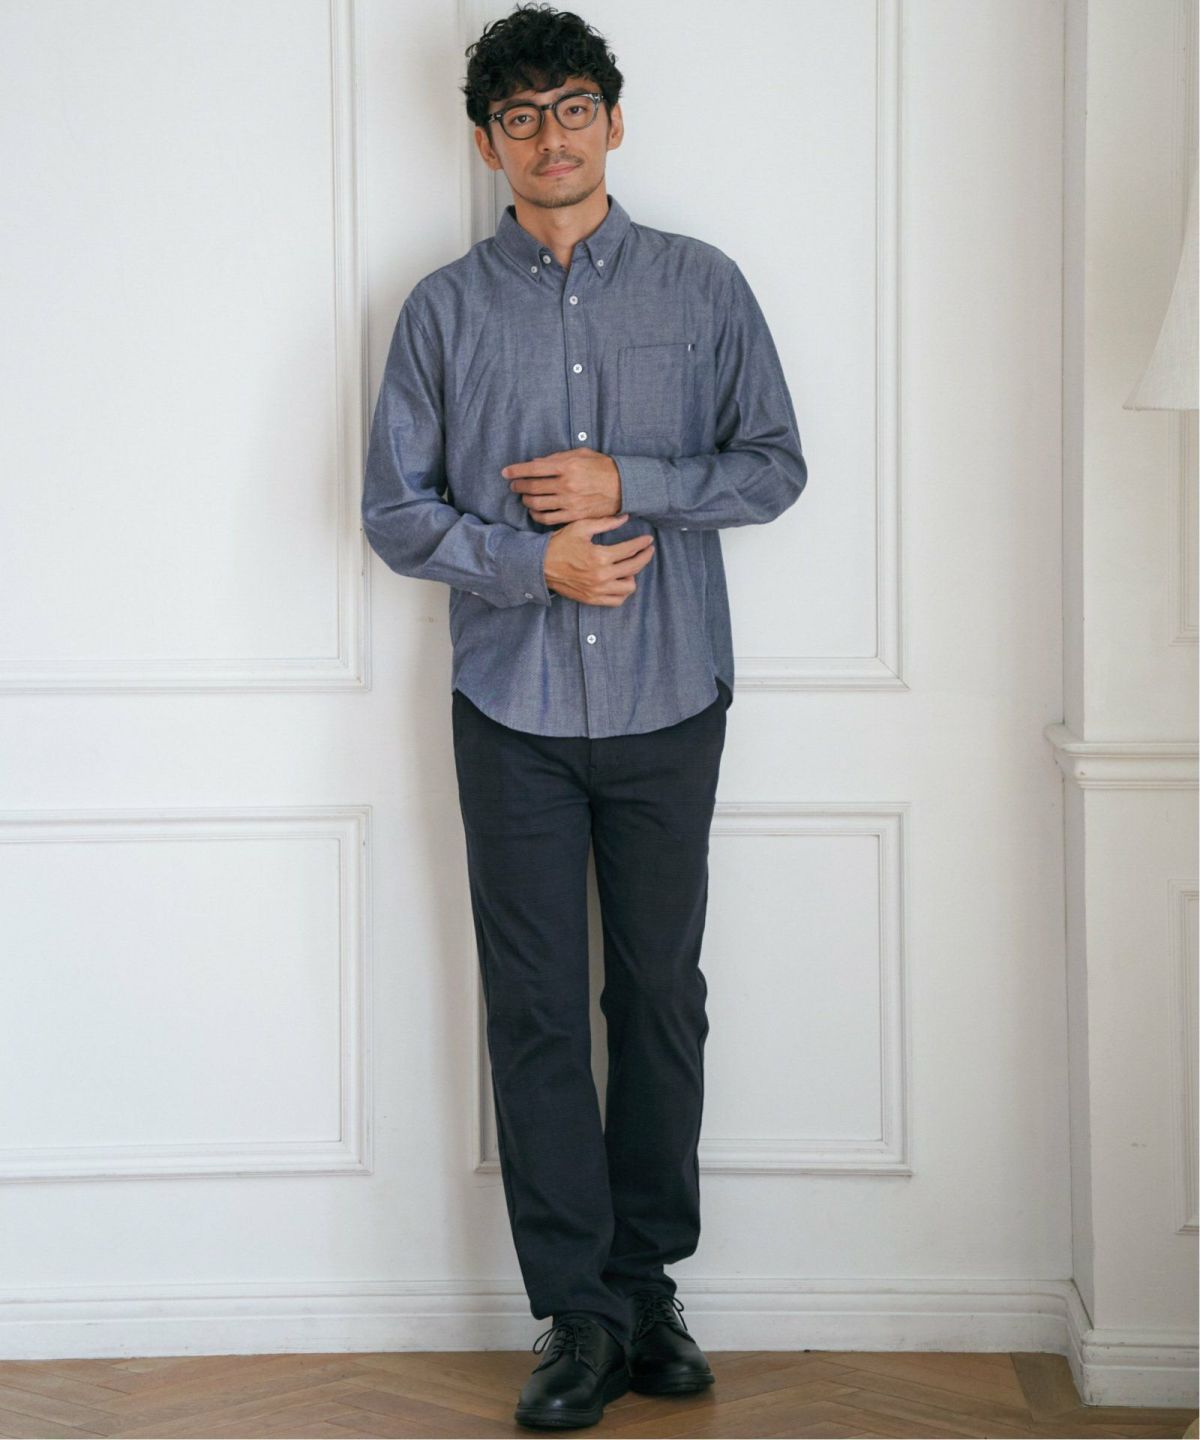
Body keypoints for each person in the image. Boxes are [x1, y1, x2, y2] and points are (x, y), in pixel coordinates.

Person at [361, 3, 808, 1428]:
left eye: (571, 108)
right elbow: (394, 512)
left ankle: (647, 1285)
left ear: (613, 121)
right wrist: (526, 564)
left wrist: (632, 486)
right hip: (513, 709)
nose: (548, 137)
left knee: (659, 996)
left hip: (672, 696)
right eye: (519, 116)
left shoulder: (703, 286)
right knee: (539, 1010)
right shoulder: (441, 311)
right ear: (486, 143)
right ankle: (577, 1315)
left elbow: (774, 466)